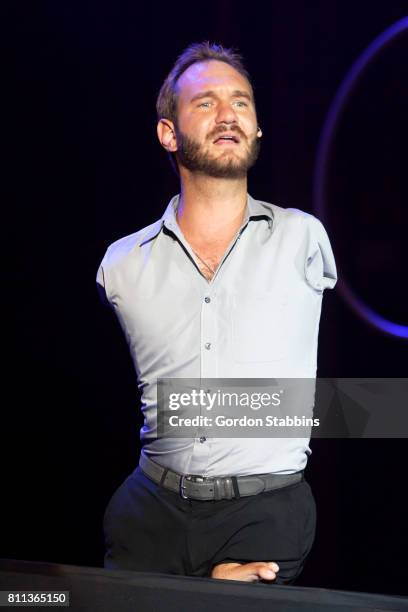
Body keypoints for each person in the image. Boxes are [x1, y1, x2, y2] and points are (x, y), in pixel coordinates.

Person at [96, 42, 337, 584]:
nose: (228, 114)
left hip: (263, 513)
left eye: (241, 103)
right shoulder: (122, 264)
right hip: (148, 513)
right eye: (205, 103)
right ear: (168, 132)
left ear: (256, 130)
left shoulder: (302, 238)